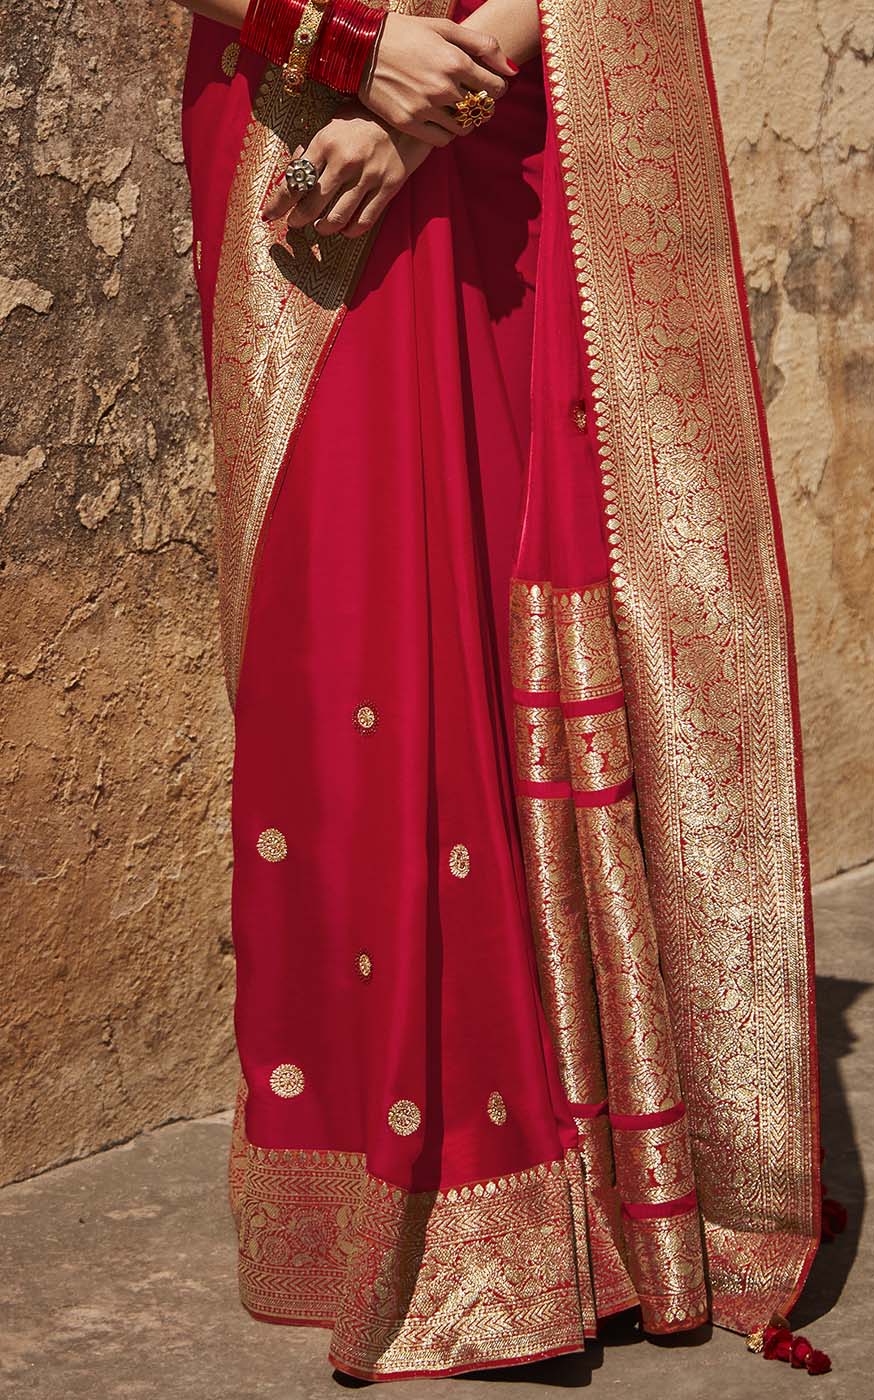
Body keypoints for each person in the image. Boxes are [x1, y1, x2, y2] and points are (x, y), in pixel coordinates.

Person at [175, 0, 830, 1381]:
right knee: (347, 640)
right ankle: (410, 1193)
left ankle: (583, 1198)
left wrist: (444, 91)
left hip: (517, 152)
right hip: (295, 133)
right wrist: (355, 49)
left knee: (509, 605)